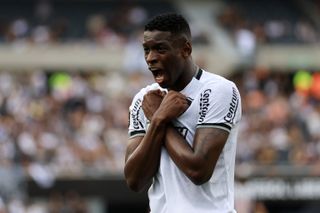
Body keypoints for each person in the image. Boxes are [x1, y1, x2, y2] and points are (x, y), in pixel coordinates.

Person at [124, 13, 242, 213]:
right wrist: (158, 120)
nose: (150, 58)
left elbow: (199, 170)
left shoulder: (218, 90)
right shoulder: (144, 99)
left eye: (160, 48)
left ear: (185, 49)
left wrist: (159, 119)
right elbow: (134, 180)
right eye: (146, 50)